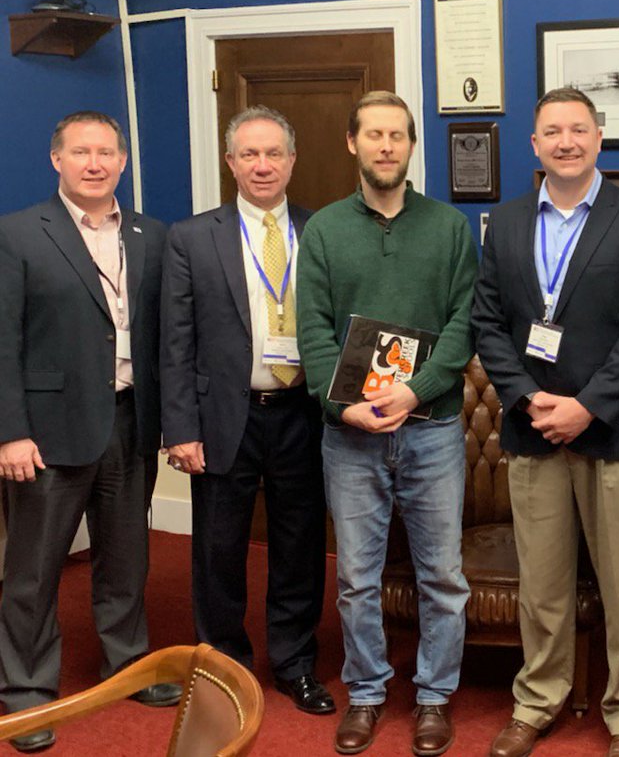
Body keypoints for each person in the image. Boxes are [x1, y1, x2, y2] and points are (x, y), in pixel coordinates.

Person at [473, 88, 619, 757]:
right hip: (534, 430)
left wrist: (586, 406)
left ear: (599, 139)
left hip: (614, 432)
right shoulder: (503, 223)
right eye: (552, 131)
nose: (566, 141)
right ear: (534, 145)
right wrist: (530, 399)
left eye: (578, 129)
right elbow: (489, 324)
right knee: (544, 586)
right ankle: (538, 699)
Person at [297, 91, 477, 757]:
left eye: (397, 135)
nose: (385, 146)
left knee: (442, 576)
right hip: (349, 436)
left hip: (430, 431)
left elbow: (466, 323)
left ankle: (434, 697)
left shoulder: (449, 228)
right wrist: (340, 403)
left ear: (410, 145)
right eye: (373, 134)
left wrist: (416, 391)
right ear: (352, 143)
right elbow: (310, 329)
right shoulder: (323, 231)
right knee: (356, 578)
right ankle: (367, 694)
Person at [0, 112, 178, 753]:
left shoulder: (152, 236)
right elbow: (2, 342)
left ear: (123, 162)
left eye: (106, 152)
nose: (95, 163)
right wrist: (9, 432)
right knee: (34, 568)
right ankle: (25, 691)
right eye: (81, 152)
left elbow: (164, 336)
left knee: (127, 558)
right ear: (57, 160)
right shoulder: (18, 234)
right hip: (47, 432)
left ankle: (127, 666)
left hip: (132, 419)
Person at [160, 106, 333, 715]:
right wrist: (179, 429)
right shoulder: (190, 237)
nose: (263, 165)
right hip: (222, 417)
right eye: (249, 154)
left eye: (274, 153)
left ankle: (293, 662)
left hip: (302, 414)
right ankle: (224, 666)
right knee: (218, 548)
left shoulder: (323, 231)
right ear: (230, 162)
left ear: (292, 160)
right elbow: (175, 342)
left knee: (300, 546)